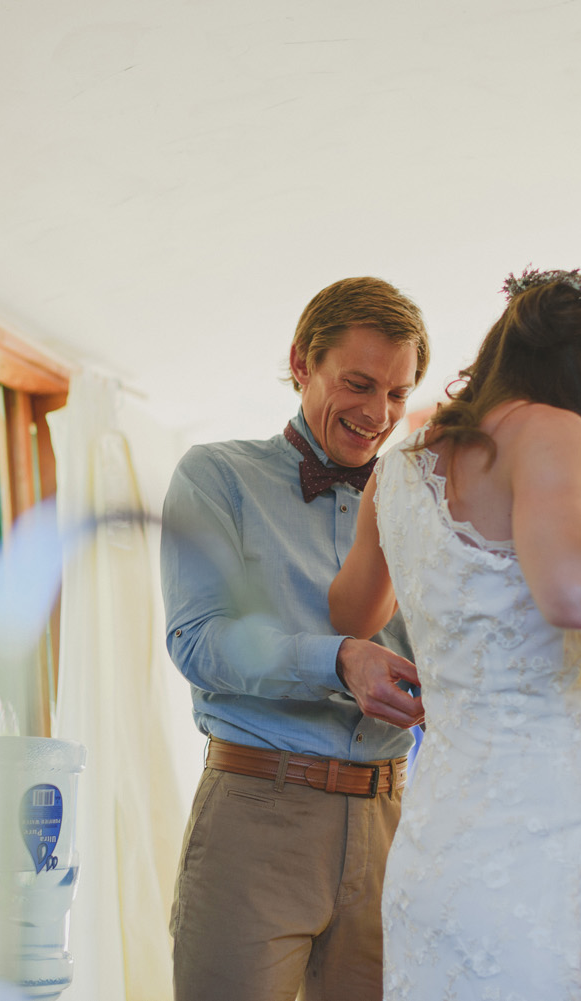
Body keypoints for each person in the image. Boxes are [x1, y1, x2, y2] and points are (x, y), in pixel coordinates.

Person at [330, 268, 581, 999]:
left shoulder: (398, 471)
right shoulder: (549, 427)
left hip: (437, 821)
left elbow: (352, 614)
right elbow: (574, 591)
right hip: (537, 812)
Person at [160, 276, 431, 1001]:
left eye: (398, 394)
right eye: (359, 383)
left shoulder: (420, 503)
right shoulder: (216, 476)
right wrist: (338, 659)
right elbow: (199, 641)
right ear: (301, 363)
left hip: (391, 824)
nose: (378, 414)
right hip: (257, 819)